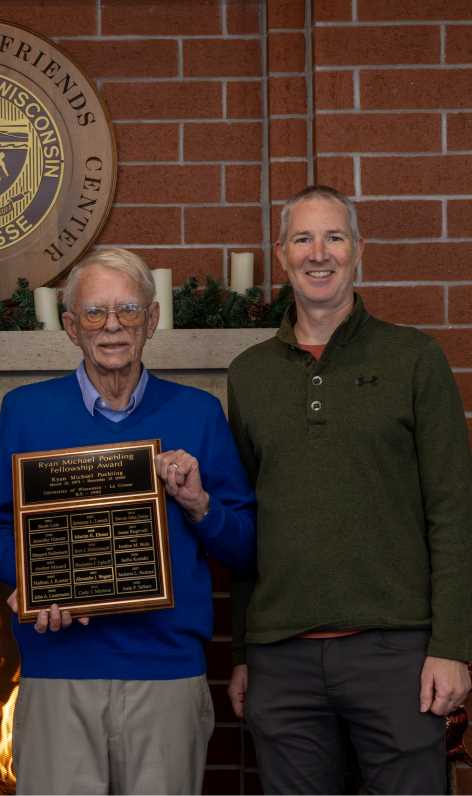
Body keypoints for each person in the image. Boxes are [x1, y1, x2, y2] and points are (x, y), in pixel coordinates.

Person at [0, 247, 256, 795]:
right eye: (95, 313)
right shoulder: (26, 411)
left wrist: (200, 504)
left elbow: (244, 549)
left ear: (151, 320)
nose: (112, 326)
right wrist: (34, 578)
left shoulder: (197, 414)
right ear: (70, 326)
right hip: (59, 671)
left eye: (128, 310)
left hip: (167, 674)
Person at [226, 185, 472, 794]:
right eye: (303, 238)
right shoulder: (249, 374)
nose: (319, 253)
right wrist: (242, 649)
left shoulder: (414, 358)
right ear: (281, 254)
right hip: (281, 660)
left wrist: (452, 646)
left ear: (358, 250)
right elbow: (246, 519)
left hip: (397, 654)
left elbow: (453, 509)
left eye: (334, 237)